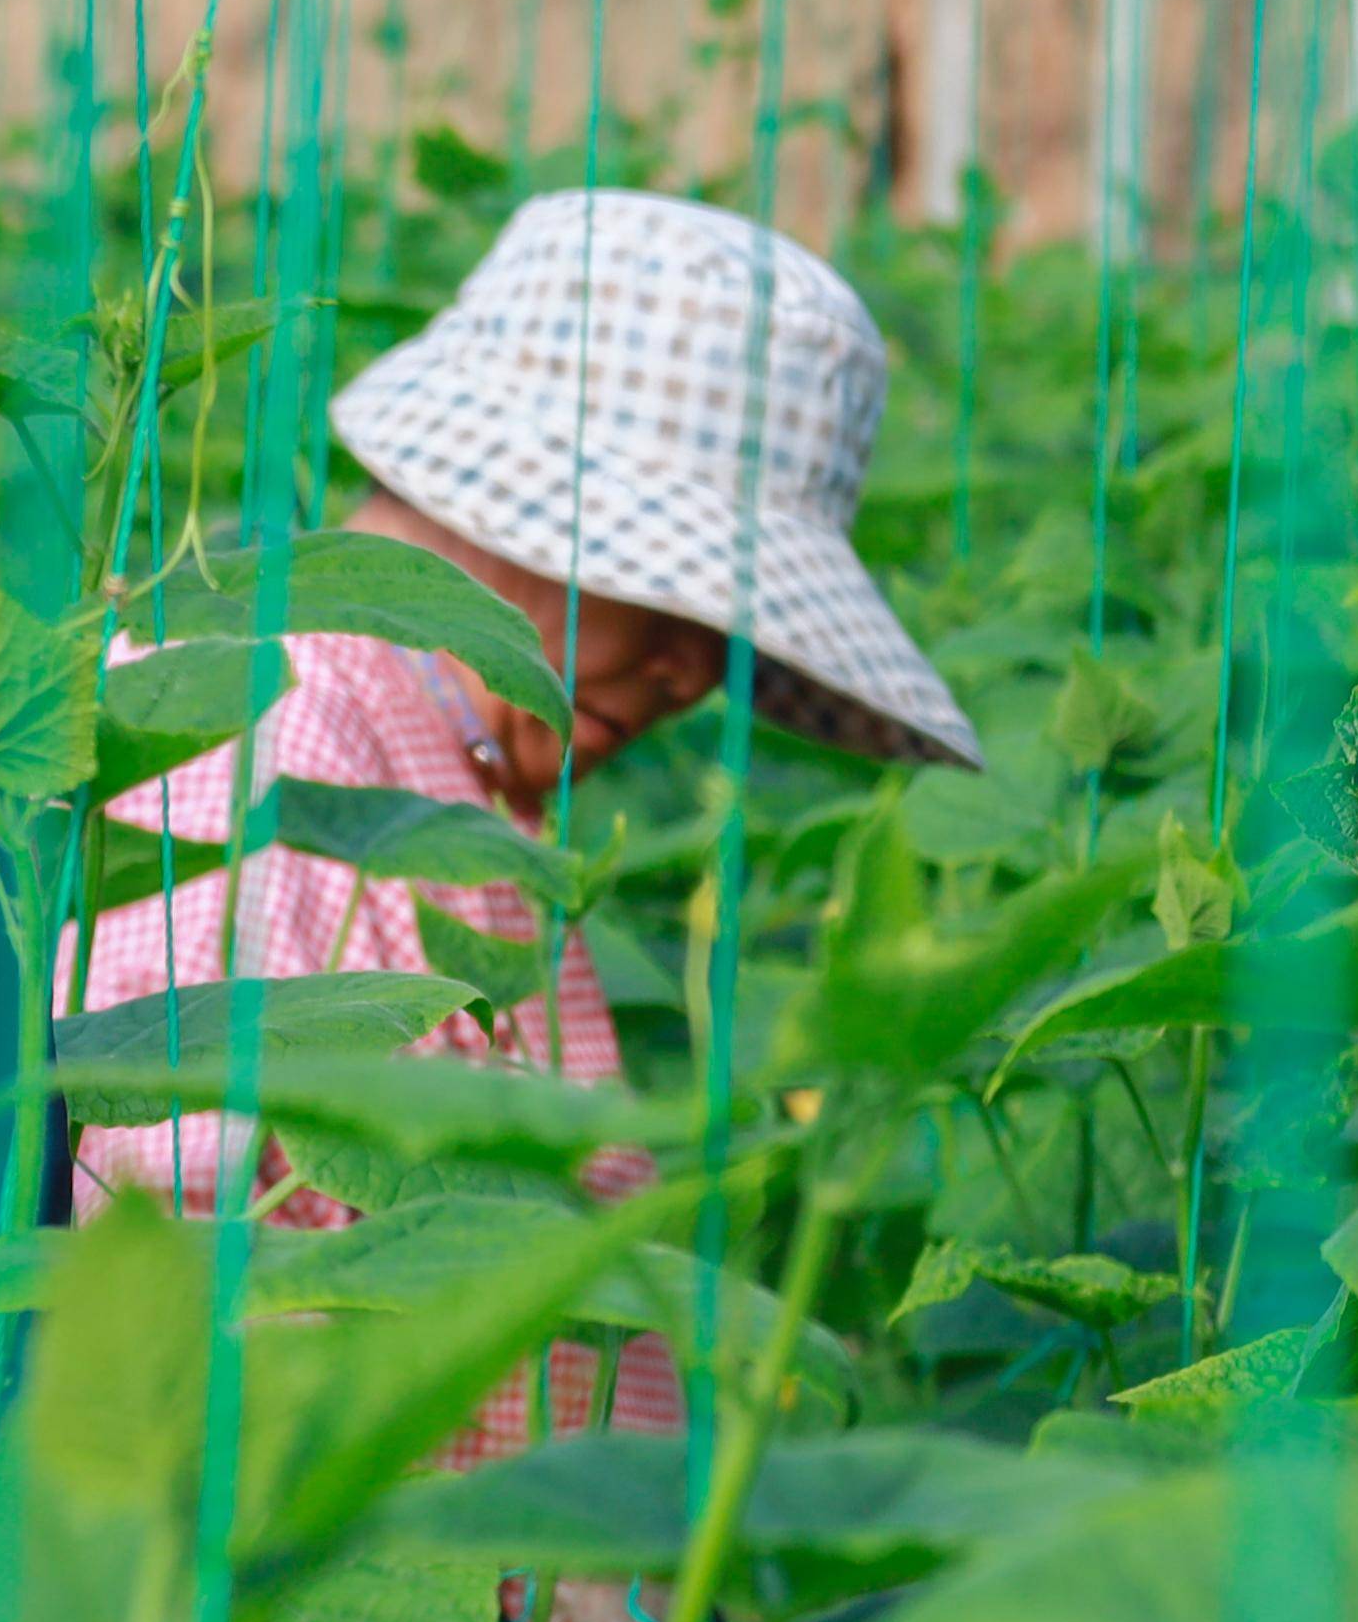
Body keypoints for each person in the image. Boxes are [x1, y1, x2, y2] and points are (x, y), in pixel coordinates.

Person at [69, 183, 981, 1466]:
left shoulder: (445, 758)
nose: (693, 672)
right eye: (671, 597)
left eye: (729, 629)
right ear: (519, 510)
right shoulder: (268, 721)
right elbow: (160, 1245)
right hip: (320, 1620)